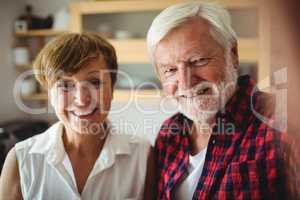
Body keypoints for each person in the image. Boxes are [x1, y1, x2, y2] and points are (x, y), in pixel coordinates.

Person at [147, 2, 288, 199]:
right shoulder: (168, 133)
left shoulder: (284, 121)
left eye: (198, 61)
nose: (186, 83)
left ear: (233, 53)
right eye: (170, 70)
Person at [0, 33, 152, 200]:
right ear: (49, 94)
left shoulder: (144, 156)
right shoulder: (20, 160)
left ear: (112, 87)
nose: (81, 99)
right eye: (65, 85)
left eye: (95, 82)